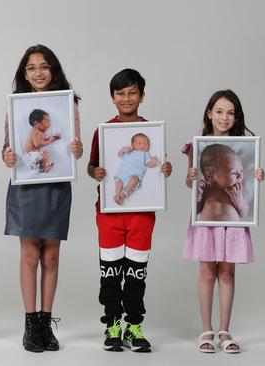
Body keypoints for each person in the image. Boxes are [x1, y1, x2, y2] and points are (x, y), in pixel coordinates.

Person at [2, 45, 83, 353]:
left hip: (56, 185)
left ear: (54, 70)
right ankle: (30, 322)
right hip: (25, 186)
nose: (38, 72)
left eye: (44, 66)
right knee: (29, 255)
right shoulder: (16, 105)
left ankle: (46, 321)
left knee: (50, 255)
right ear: (24, 73)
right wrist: (8, 157)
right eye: (32, 67)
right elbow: (9, 150)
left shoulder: (67, 102)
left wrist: (75, 151)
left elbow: (74, 149)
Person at [87, 68, 172, 352]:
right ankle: (112, 324)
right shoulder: (104, 131)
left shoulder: (151, 133)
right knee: (110, 273)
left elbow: (158, 171)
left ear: (142, 96)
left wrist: (165, 169)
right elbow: (91, 166)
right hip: (109, 214)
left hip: (142, 215)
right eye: (121, 93)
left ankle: (134, 326)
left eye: (132, 93)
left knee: (136, 273)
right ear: (112, 97)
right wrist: (95, 172)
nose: (126, 98)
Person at [183, 90, 265, 354]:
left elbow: (245, 205)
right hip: (206, 224)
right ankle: (206, 329)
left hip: (234, 226)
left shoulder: (245, 146)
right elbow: (190, 184)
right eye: (219, 111)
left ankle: (225, 330)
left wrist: (257, 176)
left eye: (231, 112)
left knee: (227, 273)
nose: (224, 117)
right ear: (209, 113)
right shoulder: (198, 145)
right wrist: (191, 176)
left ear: (236, 116)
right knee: (207, 273)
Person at [196, 144, 248, 221]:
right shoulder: (205, 189)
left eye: (241, 170)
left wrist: (239, 201)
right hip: (208, 231)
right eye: (233, 173)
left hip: (233, 231)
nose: (240, 175)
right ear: (210, 176)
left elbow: (244, 213)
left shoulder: (236, 191)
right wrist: (198, 197)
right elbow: (196, 211)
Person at [113, 133, 160, 205]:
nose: (143, 145)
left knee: (134, 180)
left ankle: (124, 193)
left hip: (134, 175)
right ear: (132, 145)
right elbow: (119, 154)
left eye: (145, 144)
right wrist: (123, 150)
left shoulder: (145, 154)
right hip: (122, 174)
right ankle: (117, 195)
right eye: (139, 143)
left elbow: (149, 164)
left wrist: (154, 161)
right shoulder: (129, 152)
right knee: (119, 182)